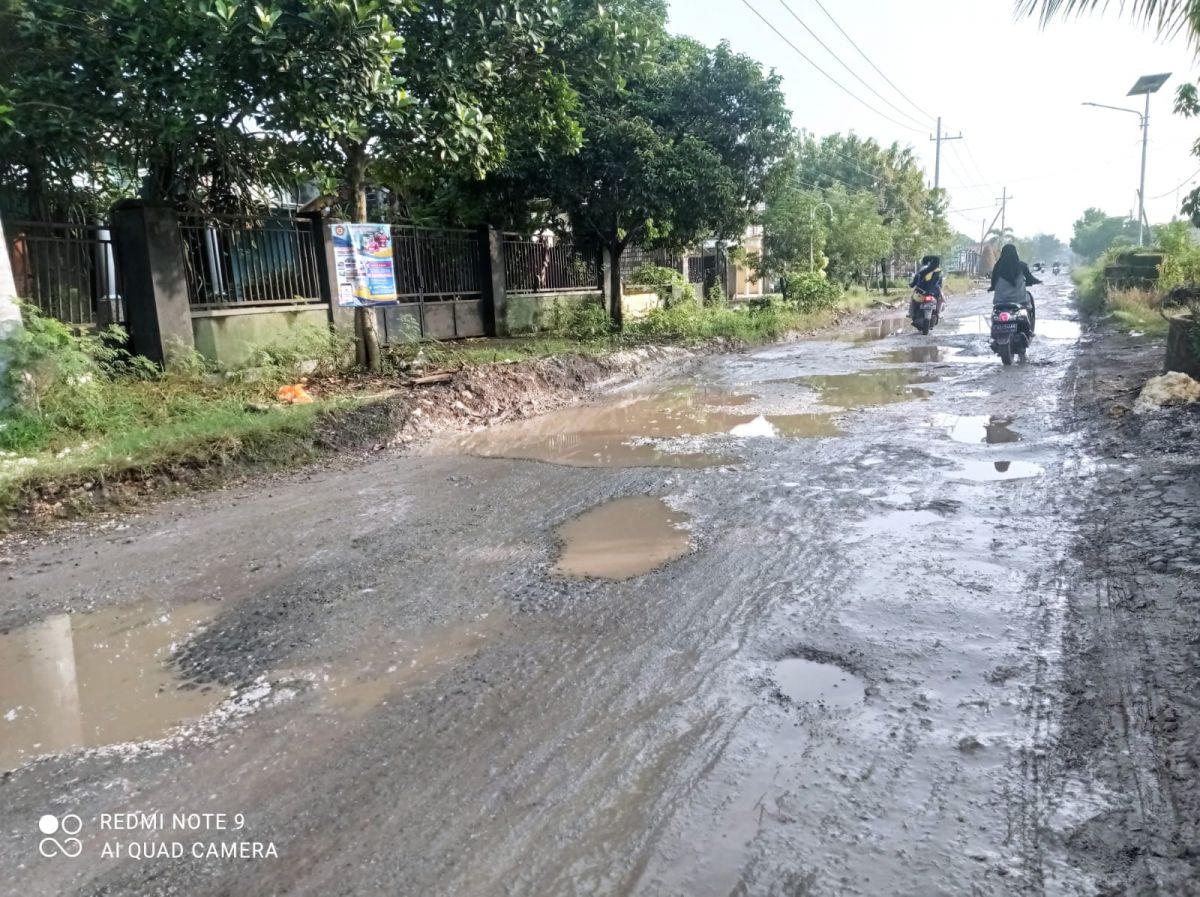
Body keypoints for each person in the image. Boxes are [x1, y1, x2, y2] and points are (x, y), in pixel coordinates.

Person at [989, 244, 1041, 333]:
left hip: (1000, 301)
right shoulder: (1022, 266)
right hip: (1019, 301)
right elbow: (1030, 279)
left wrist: (993, 288)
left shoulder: (997, 267)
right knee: (1029, 302)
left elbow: (993, 282)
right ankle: (1030, 330)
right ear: (1015, 253)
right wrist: (1037, 281)